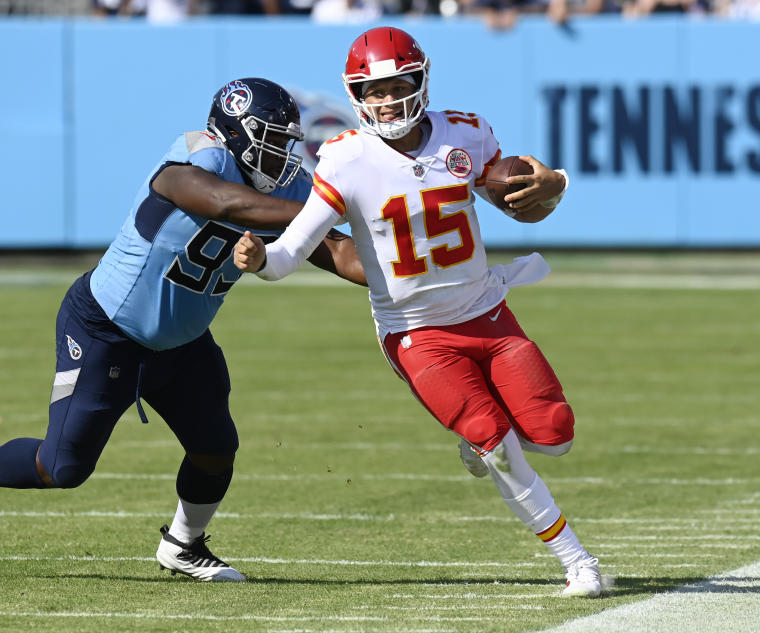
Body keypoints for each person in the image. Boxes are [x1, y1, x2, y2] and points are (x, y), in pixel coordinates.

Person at [0, 78, 366, 582]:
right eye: (272, 139)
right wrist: (327, 209)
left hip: (183, 341)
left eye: (287, 141)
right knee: (62, 468)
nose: (283, 154)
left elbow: (340, 252)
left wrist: (411, 270)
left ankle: (183, 545)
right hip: (107, 328)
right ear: (235, 133)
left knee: (215, 447)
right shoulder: (199, 157)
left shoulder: (289, 191)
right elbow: (225, 204)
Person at [234, 26, 608, 597]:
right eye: (373, 90)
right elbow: (289, 254)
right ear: (356, 94)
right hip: (416, 333)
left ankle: (487, 440)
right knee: (498, 446)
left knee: (555, 436)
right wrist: (260, 257)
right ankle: (576, 560)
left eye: (396, 85)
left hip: (488, 313)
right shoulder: (344, 159)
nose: (385, 100)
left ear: (421, 80)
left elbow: (522, 199)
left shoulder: (466, 132)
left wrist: (555, 182)